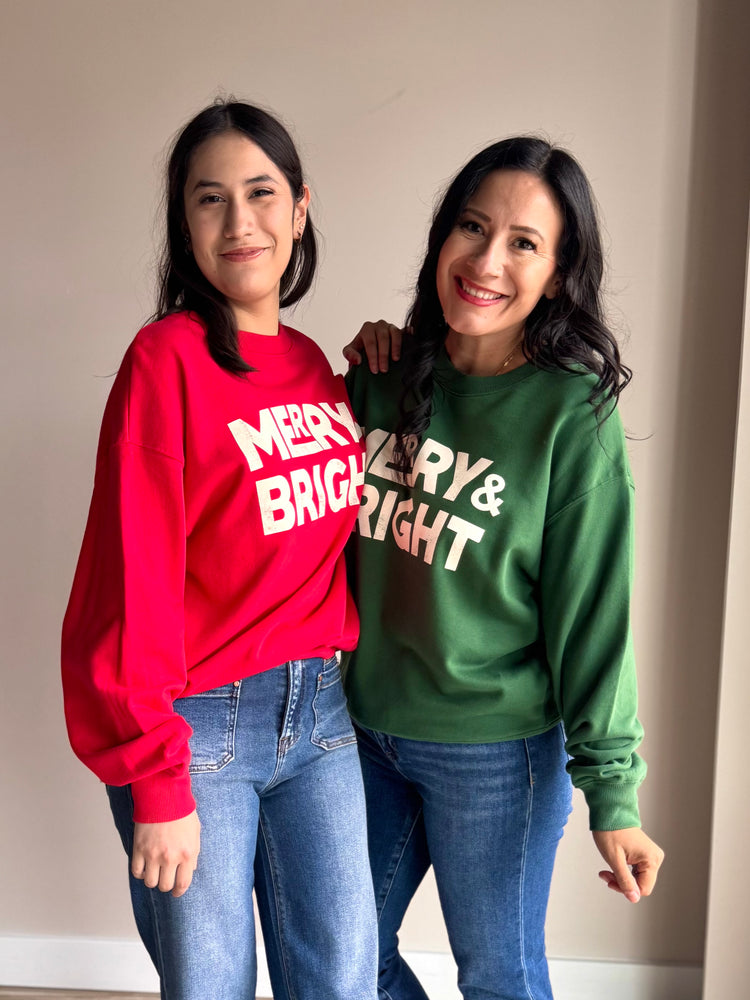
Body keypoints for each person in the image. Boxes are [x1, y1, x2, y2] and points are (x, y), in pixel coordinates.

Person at [61, 100, 377, 1000]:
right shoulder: (165, 360)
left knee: (342, 982)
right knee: (210, 988)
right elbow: (132, 578)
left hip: (320, 717)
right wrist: (157, 777)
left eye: (262, 193)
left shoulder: (319, 366)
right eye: (209, 200)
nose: (240, 223)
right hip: (198, 727)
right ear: (184, 224)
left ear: (300, 209)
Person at [342, 136, 664, 1000]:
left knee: (499, 976)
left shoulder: (571, 412)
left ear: (558, 273)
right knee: (337, 959)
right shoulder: (381, 377)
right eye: (472, 227)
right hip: (363, 729)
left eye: (524, 242)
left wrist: (614, 794)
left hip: (497, 751)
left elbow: (593, 611)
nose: (487, 259)